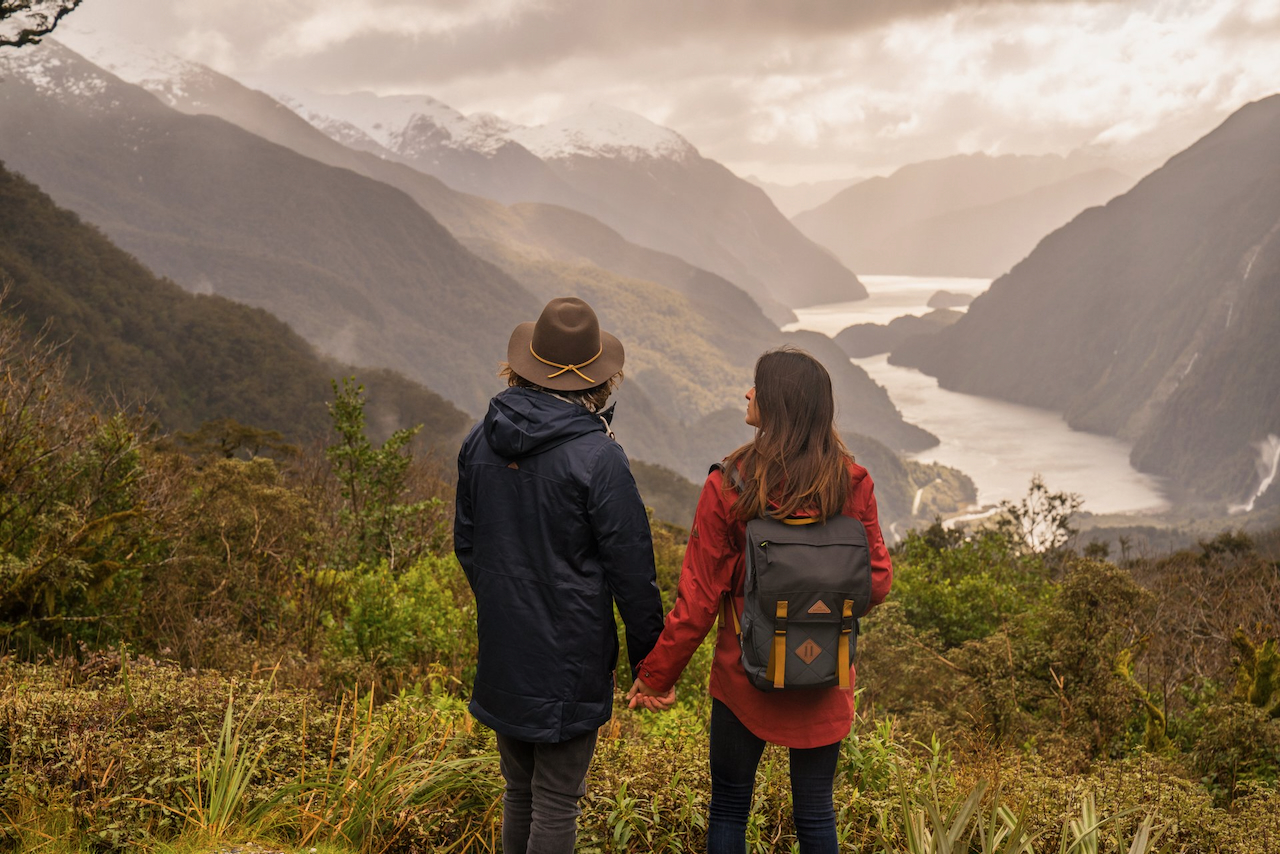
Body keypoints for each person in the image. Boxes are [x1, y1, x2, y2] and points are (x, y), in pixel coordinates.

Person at [627, 346, 893, 854]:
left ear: (779, 404)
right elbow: (876, 582)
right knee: (816, 812)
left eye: (757, 386)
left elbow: (699, 599)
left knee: (729, 806)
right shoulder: (851, 482)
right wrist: (818, 603)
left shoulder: (730, 484)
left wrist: (657, 676)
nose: (748, 393)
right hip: (824, 672)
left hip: (744, 674)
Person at [454, 296, 666, 854]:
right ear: (599, 380)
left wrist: (507, 604)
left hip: (505, 649)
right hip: (569, 658)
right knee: (555, 800)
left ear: (523, 366)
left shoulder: (480, 439)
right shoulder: (599, 457)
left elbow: (468, 544)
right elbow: (633, 572)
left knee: (519, 791)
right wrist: (652, 661)